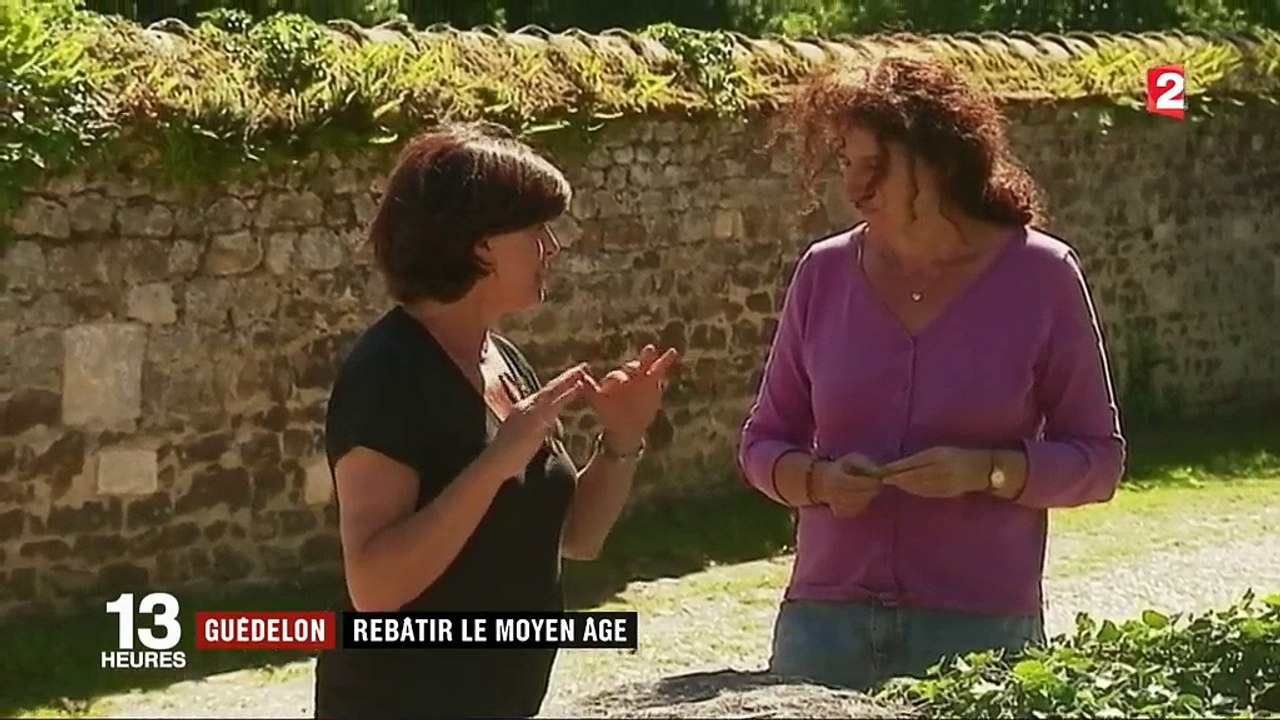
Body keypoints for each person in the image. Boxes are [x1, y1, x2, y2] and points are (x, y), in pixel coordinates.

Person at [737, 56, 1126, 691]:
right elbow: (760, 443)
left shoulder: (1042, 276)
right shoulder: (824, 273)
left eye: (876, 166)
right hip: (824, 627)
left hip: (978, 630)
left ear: (940, 161)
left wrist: (988, 471)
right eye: (845, 163)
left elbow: (1098, 461)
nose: (854, 189)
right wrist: (816, 480)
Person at [313, 124, 679, 719]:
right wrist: (498, 460)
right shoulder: (388, 374)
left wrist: (622, 436)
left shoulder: (503, 360)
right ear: (480, 246)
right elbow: (374, 590)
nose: (553, 249)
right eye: (536, 231)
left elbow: (577, 539)